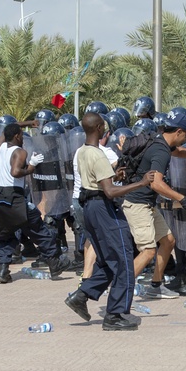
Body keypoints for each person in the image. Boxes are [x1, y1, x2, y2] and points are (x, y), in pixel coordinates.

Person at [64, 113, 156, 331]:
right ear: (97, 127)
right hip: (103, 208)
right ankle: (115, 315)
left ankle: (81, 296)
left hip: (89, 208)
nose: (106, 128)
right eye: (103, 125)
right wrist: (141, 183)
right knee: (124, 259)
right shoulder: (97, 155)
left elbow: (101, 180)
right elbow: (110, 191)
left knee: (108, 260)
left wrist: (115, 174)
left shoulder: (82, 151)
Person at [121, 109, 186, 299]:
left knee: (168, 241)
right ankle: (119, 291)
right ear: (178, 131)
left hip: (146, 204)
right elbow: (156, 183)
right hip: (137, 205)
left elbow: (178, 151)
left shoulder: (158, 140)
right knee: (147, 251)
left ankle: (155, 285)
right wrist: (181, 198)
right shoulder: (161, 151)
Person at [0, 123, 70, 284]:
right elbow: (16, 172)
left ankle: (3, 269)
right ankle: (55, 263)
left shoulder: (0, 146)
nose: (23, 139)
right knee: (38, 229)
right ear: (17, 136)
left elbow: (6, 131)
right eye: (21, 135)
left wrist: (26, 124)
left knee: (4, 234)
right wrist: (31, 167)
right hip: (13, 196)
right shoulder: (20, 152)